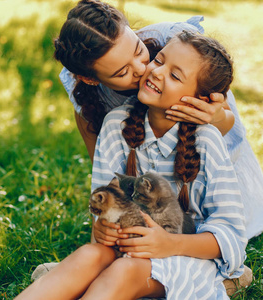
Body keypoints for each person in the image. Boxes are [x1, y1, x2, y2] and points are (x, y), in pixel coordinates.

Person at [16, 30, 246, 300]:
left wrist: (168, 244)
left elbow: (231, 234)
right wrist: (103, 227)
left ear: (201, 100)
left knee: (124, 271)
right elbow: (104, 208)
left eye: (175, 76)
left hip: (186, 255)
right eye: (159, 61)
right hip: (127, 251)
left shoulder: (206, 142)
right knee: (91, 254)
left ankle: (228, 282)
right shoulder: (116, 124)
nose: (157, 72)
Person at [55, 0, 263, 240]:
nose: (142, 69)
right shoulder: (90, 99)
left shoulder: (172, 43)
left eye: (138, 51)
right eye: (122, 72)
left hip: (208, 176)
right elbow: (107, 172)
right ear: (91, 79)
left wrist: (216, 116)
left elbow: (230, 133)